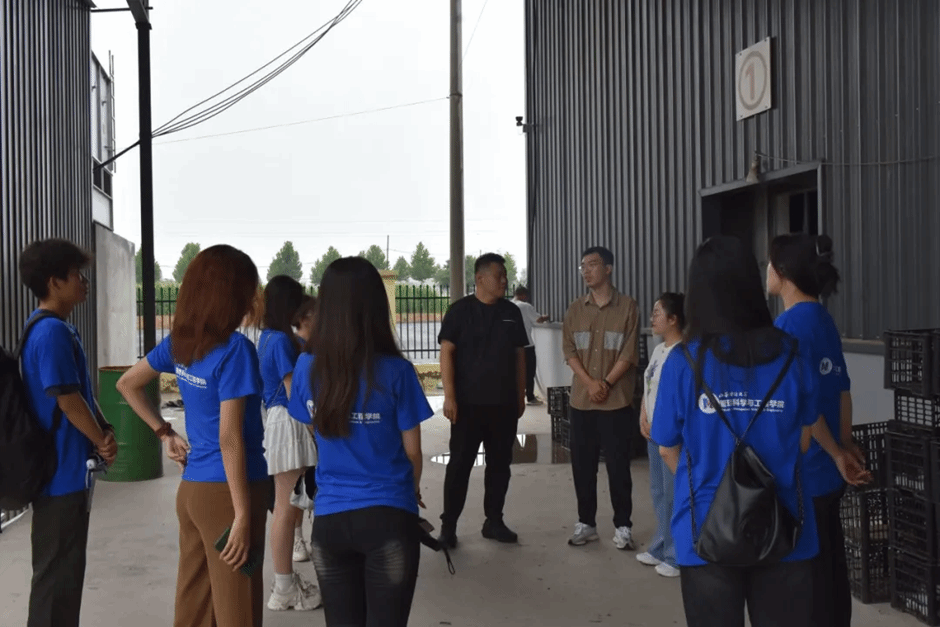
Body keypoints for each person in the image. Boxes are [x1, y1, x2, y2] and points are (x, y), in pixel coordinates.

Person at [651, 236, 822, 627]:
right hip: (785, 527)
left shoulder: (684, 362)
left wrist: (711, 484)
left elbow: (666, 448)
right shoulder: (793, 354)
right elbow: (804, 440)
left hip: (703, 531)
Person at [116, 245, 270, 627]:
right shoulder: (235, 350)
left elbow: (127, 384)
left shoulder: (180, 343)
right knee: (238, 611)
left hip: (194, 492)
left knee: (195, 608)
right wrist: (242, 514)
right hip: (230, 493)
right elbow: (230, 438)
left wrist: (164, 432)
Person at [287, 257, 432, 627]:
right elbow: (413, 453)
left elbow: (312, 427)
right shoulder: (397, 372)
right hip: (388, 518)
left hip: (330, 523)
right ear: (376, 306)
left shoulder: (306, 368)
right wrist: (410, 491)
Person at [767, 233, 870, 627]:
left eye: (768, 263)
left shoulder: (786, 326)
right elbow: (841, 389)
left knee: (805, 577)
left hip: (806, 469)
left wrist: (837, 451)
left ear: (783, 272)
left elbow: (803, 408)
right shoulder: (822, 318)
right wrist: (844, 444)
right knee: (831, 567)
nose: (765, 271)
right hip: (828, 472)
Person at [18, 239, 118, 627]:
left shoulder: (53, 328)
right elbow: (67, 399)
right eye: (77, 274)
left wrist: (103, 427)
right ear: (54, 281)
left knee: (64, 576)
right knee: (56, 580)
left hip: (66, 474)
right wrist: (100, 439)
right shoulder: (51, 333)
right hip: (59, 477)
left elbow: (78, 392)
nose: (84, 282)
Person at [437, 253, 529, 547]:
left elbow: (519, 355)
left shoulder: (511, 312)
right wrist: (449, 397)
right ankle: (449, 526)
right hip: (467, 407)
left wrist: (520, 395)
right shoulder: (460, 311)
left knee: (500, 466)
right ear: (480, 278)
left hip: (503, 406)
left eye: (505, 276)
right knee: (459, 466)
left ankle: (494, 521)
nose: (504, 281)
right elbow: (446, 352)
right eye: (498, 275)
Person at [562, 246, 640, 550]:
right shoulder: (575, 309)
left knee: (618, 467)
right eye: (583, 265)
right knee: (582, 467)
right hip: (582, 402)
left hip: (616, 401)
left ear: (608, 268)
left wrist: (605, 383)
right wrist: (590, 384)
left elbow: (629, 353)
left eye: (592, 264)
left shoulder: (628, 307)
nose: (586, 270)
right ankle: (586, 523)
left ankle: (623, 526)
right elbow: (569, 351)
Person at [257, 276, 321, 610]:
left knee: (289, 505)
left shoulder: (269, 337)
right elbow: (296, 391)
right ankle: (283, 587)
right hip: (289, 421)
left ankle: (285, 583)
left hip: (281, 420)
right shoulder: (282, 341)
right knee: (285, 507)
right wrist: (316, 429)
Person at [637, 292, 685, 578]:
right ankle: (660, 546)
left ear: (674, 319)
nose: (652, 318)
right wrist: (643, 414)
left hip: (671, 435)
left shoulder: (683, 353)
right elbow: (649, 386)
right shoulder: (658, 350)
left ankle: (676, 555)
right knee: (657, 490)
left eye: (657, 313)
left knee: (672, 493)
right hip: (653, 430)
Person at [510, 286, 550, 405]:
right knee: (529, 371)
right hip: (526, 345)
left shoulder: (508, 305)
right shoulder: (525, 306)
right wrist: (546, 316)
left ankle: (515, 397)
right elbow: (538, 319)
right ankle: (530, 397)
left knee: (514, 372)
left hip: (511, 345)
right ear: (523, 295)